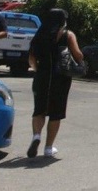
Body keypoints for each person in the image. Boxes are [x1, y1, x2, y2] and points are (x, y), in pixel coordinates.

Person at [27, 8, 83, 158]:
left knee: (39, 110)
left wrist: (39, 70)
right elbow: (78, 55)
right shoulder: (67, 35)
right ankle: (48, 147)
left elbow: (31, 59)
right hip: (60, 78)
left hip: (42, 77)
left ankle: (36, 136)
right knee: (56, 113)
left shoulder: (39, 35)